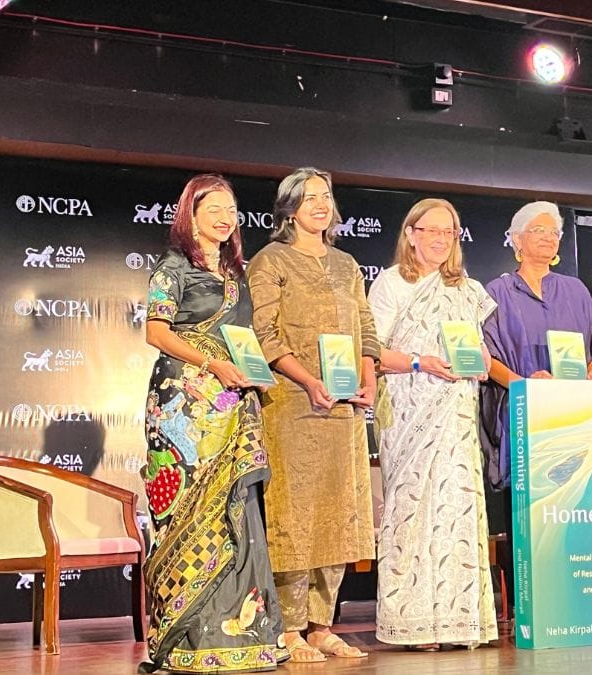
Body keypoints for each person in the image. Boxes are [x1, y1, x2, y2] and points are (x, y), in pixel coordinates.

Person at [141, 174, 284, 673]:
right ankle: (182, 640)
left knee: (236, 510)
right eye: (214, 208)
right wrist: (211, 365)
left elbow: (241, 340)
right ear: (191, 214)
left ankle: (238, 637)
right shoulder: (172, 268)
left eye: (232, 208)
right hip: (184, 407)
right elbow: (156, 332)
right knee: (186, 514)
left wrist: (252, 373)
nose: (226, 217)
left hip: (231, 403)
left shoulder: (235, 273)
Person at [247, 168, 377, 663]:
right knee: (295, 515)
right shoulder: (270, 260)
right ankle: (289, 628)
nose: (321, 205)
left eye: (326, 196)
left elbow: (365, 328)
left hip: (344, 407)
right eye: (309, 198)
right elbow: (266, 333)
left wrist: (366, 377)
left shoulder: (346, 263)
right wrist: (308, 381)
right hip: (293, 403)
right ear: (289, 208)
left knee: (338, 513)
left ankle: (323, 625)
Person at [368, 198, 499, 651]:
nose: (442, 240)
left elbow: (480, 351)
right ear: (412, 234)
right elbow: (376, 353)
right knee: (412, 510)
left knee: (455, 511)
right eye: (433, 231)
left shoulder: (466, 288)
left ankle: (461, 622)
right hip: (408, 408)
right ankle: (412, 623)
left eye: (450, 232)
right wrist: (424, 362)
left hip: (457, 412)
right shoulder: (389, 285)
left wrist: (479, 362)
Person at [481, 200, 592, 488]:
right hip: (520, 414)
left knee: (572, 496)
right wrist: (525, 387)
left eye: (554, 232)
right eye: (538, 229)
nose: (548, 237)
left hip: (574, 413)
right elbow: (486, 357)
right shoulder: (497, 292)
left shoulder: (575, 289)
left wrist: (591, 375)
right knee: (528, 504)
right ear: (516, 239)